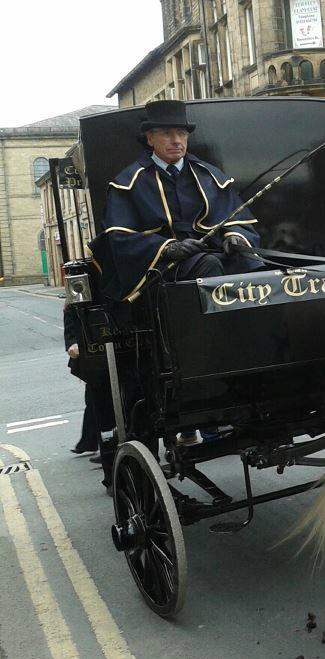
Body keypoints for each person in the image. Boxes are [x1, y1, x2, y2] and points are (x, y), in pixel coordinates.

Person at [90, 99, 262, 303]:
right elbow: (118, 238)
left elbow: (237, 219)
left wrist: (235, 237)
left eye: (181, 133)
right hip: (162, 267)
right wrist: (168, 248)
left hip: (211, 251)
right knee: (209, 264)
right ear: (150, 139)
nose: (176, 141)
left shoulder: (209, 175)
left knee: (252, 263)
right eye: (167, 134)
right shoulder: (128, 183)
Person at [63, 303, 115, 463]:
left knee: (110, 399)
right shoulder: (78, 297)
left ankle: (102, 444)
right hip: (95, 353)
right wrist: (72, 342)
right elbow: (71, 314)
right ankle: (96, 443)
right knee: (95, 398)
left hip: (120, 346)